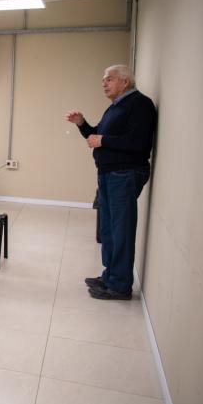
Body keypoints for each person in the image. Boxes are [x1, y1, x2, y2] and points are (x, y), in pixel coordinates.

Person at [66, 65, 156, 300]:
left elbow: (138, 142)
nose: (104, 83)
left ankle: (120, 285)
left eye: (109, 79)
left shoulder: (140, 104)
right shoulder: (115, 108)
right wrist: (82, 124)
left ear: (125, 81)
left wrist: (103, 139)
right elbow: (96, 135)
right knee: (108, 228)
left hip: (124, 174)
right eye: (103, 80)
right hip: (109, 174)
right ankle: (110, 275)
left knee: (121, 229)